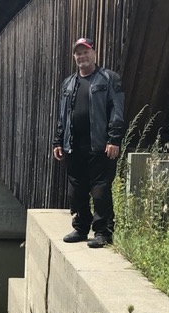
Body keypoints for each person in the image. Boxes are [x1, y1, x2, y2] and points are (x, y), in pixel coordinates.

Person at [52, 37, 125, 248]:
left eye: (85, 52)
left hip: (100, 146)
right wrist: (58, 140)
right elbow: (63, 116)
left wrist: (114, 139)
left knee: (100, 190)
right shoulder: (69, 83)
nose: (81, 56)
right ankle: (81, 227)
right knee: (77, 190)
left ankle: (103, 232)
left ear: (94, 54)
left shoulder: (109, 79)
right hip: (74, 146)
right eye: (78, 53)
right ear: (74, 56)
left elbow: (117, 111)